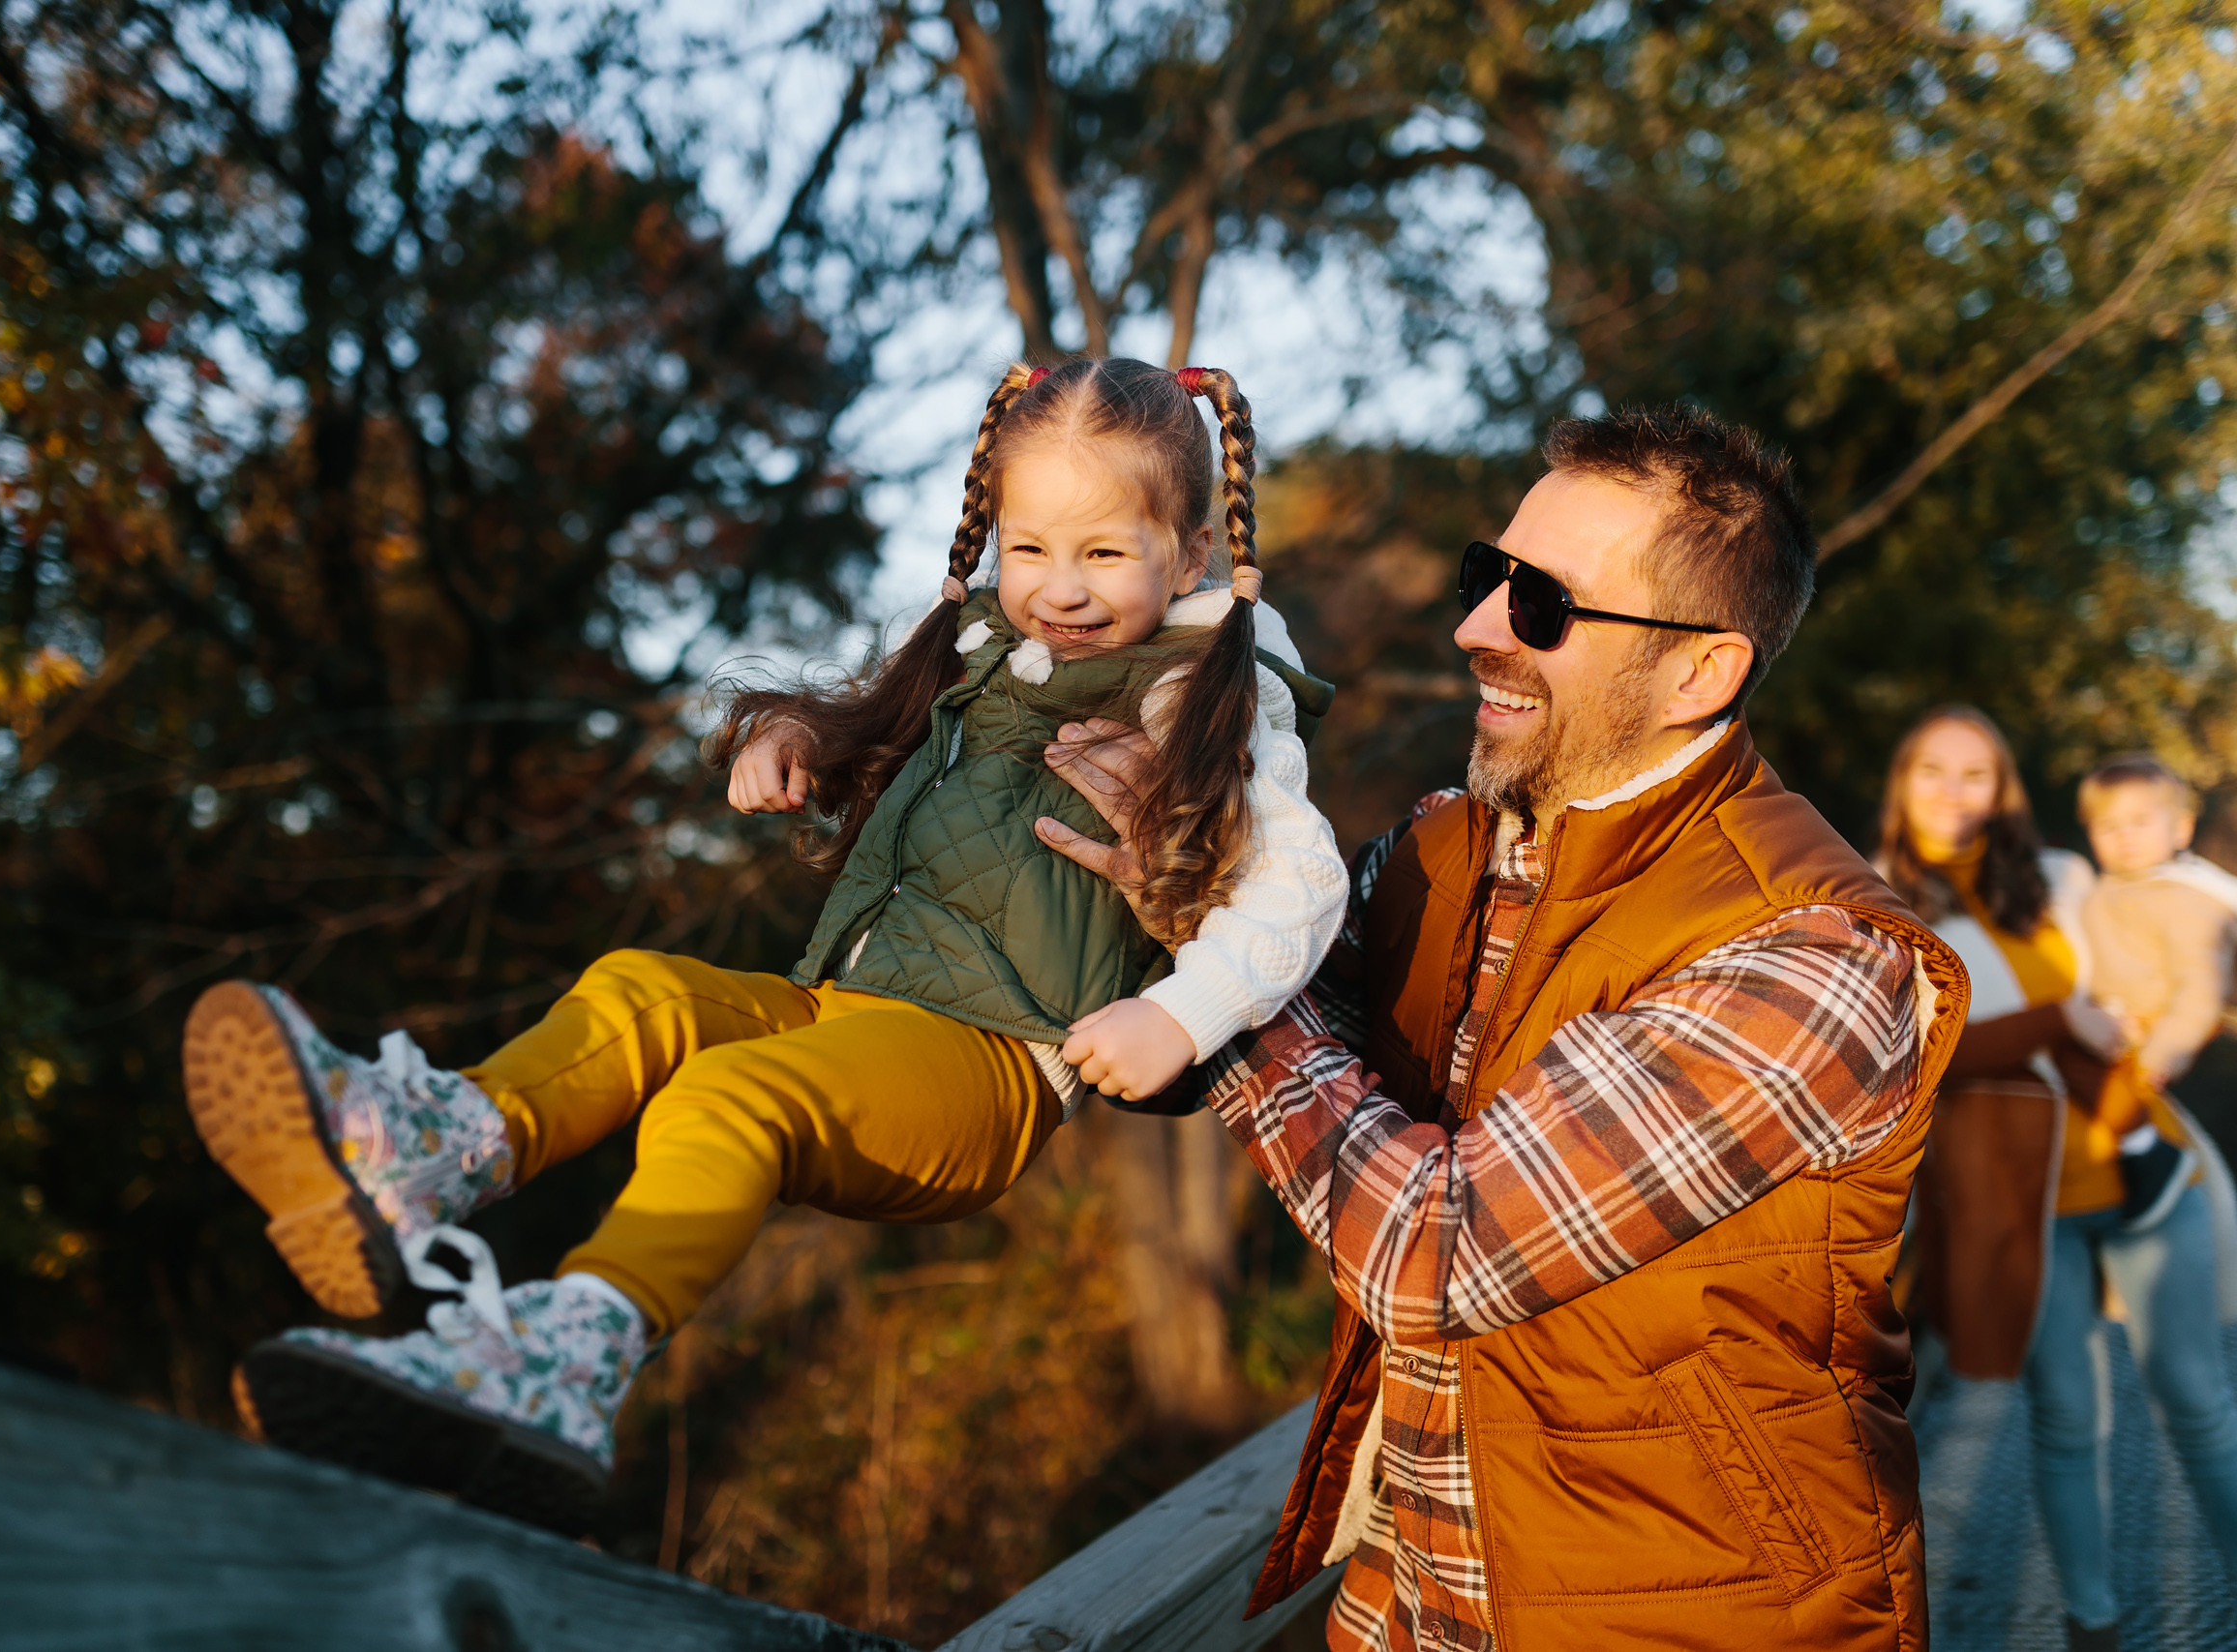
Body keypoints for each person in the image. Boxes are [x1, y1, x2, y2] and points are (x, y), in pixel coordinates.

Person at [178, 356, 1348, 1531]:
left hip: (987, 1065)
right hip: (840, 1002)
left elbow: (1301, 880)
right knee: (642, 990)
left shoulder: (1199, 690)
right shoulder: (974, 641)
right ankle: (433, 1154)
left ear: (1189, 553)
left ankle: (567, 1360)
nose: (1060, 588)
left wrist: (1178, 1013)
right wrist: (794, 736)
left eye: (1105, 553)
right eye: (1032, 548)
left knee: (732, 1095)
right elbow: (887, 748)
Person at [1039, 404, 1969, 1649]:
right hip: (1405, 1603)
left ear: (1702, 670)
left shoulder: (1810, 958)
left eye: (1543, 605)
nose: (1475, 626)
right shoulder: (1439, 849)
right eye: (1490, 576)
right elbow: (1244, 1052)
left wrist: (1220, 945)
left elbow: (1434, 1252)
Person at [1891, 721, 2237, 1650]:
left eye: (1979, 773)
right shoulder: (1877, 901)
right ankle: (2093, 1619)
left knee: (2198, 1398)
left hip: (2148, 1169)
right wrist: (2053, 1018)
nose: (1957, 790)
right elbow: (1914, 1058)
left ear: (2005, 788)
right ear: (1903, 784)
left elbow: (2172, 950)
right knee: (2067, 1411)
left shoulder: (2061, 877)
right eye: (1935, 769)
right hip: (2021, 1195)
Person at [2078, 752, 2226, 1224]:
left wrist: (2163, 1055)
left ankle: (2154, 1162)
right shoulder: (2117, 886)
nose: (2125, 837)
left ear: (2181, 830)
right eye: (2108, 826)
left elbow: (2201, 990)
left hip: (2154, 1042)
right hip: (2112, 1023)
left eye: (2140, 822)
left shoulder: (2183, 898)